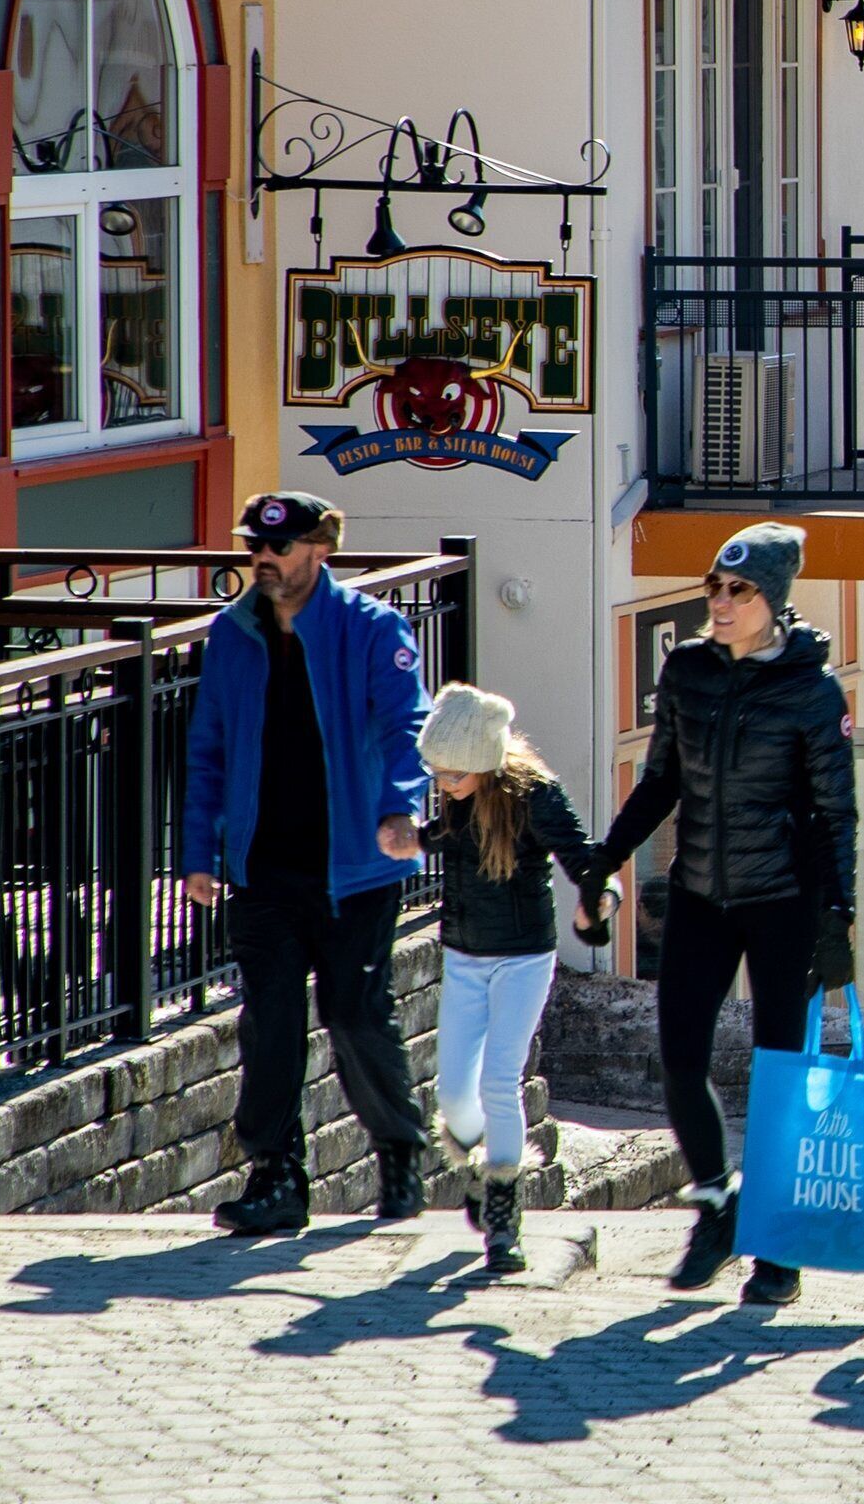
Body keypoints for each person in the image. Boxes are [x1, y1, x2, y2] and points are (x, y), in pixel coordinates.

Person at [588, 522, 859, 1305]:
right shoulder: (688, 673)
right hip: (701, 892)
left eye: (739, 590)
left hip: (784, 903)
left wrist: (837, 918)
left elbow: (837, 813)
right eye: (715, 586)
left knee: (779, 1079)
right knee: (678, 1060)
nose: (722, 601)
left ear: (773, 601)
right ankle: (715, 1203)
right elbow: (660, 780)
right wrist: (607, 859)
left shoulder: (812, 691)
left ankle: (776, 1250)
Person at [183, 492, 437, 1238]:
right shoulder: (232, 634)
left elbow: (406, 724)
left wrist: (400, 808)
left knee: (355, 1014)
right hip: (263, 869)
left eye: (280, 548)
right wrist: (200, 853)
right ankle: (276, 1176)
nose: (263, 560)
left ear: (319, 549)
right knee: (271, 1019)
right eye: (254, 548)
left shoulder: (370, 628)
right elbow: (208, 751)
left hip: (356, 866)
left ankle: (398, 1147)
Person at [414, 684, 612, 1274]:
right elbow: (448, 837)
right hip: (465, 954)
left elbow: (585, 857)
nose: (443, 781)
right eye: (438, 772)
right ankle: (480, 1170)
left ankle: (504, 1217)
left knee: (500, 1079)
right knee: (452, 1092)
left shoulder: (534, 795)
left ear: (481, 761)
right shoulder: (457, 796)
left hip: (523, 957)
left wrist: (602, 898)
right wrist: (410, 840)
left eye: (453, 772)